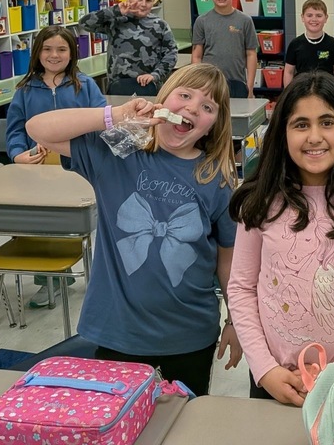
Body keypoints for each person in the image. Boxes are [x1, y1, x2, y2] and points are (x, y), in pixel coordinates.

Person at [25, 64, 243, 395]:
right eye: (184, 95)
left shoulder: (216, 178)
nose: (192, 108)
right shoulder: (118, 151)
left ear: (214, 124)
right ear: (163, 99)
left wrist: (235, 321)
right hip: (118, 331)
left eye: (207, 107)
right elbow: (38, 128)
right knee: (116, 426)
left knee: (180, 425)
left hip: (189, 336)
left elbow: (228, 260)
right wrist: (115, 116)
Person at [226, 71, 334, 407]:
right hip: (276, 382)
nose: (314, 136)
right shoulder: (261, 199)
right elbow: (241, 287)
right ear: (282, 133)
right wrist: (264, 370)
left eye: (327, 122)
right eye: (301, 125)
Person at [5, 25, 107, 308]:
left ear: (72, 53)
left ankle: (84, 272)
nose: (54, 55)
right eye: (47, 49)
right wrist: (17, 155)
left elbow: (101, 122)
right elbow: (14, 130)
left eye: (61, 49)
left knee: (75, 222)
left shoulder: (85, 85)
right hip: (37, 171)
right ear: (37, 53)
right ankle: (49, 280)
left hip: (78, 168)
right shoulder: (25, 89)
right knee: (41, 223)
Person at [77, 0, 177, 96]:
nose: (143, 4)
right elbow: (84, 23)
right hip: (118, 85)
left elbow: (171, 54)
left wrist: (155, 75)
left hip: (150, 85)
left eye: (148, 0)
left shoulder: (160, 25)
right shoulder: (116, 20)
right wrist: (115, 11)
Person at [191, 0, 259, 98]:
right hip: (209, 83)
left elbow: (251, 54)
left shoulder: (245, 20)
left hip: (237, 83)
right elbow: (196, 56)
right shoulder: (202, 21)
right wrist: (198, 84)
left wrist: (249, 87)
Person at [283, 0, 334, 88]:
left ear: (326, 18)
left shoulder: (333, 44)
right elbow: (288, 72)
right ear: (302, 18)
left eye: (319, 16)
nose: (314, 19)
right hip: (301, 91)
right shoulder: (295, 44)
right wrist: (288, 95)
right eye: (309, 15)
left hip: (326, 91)